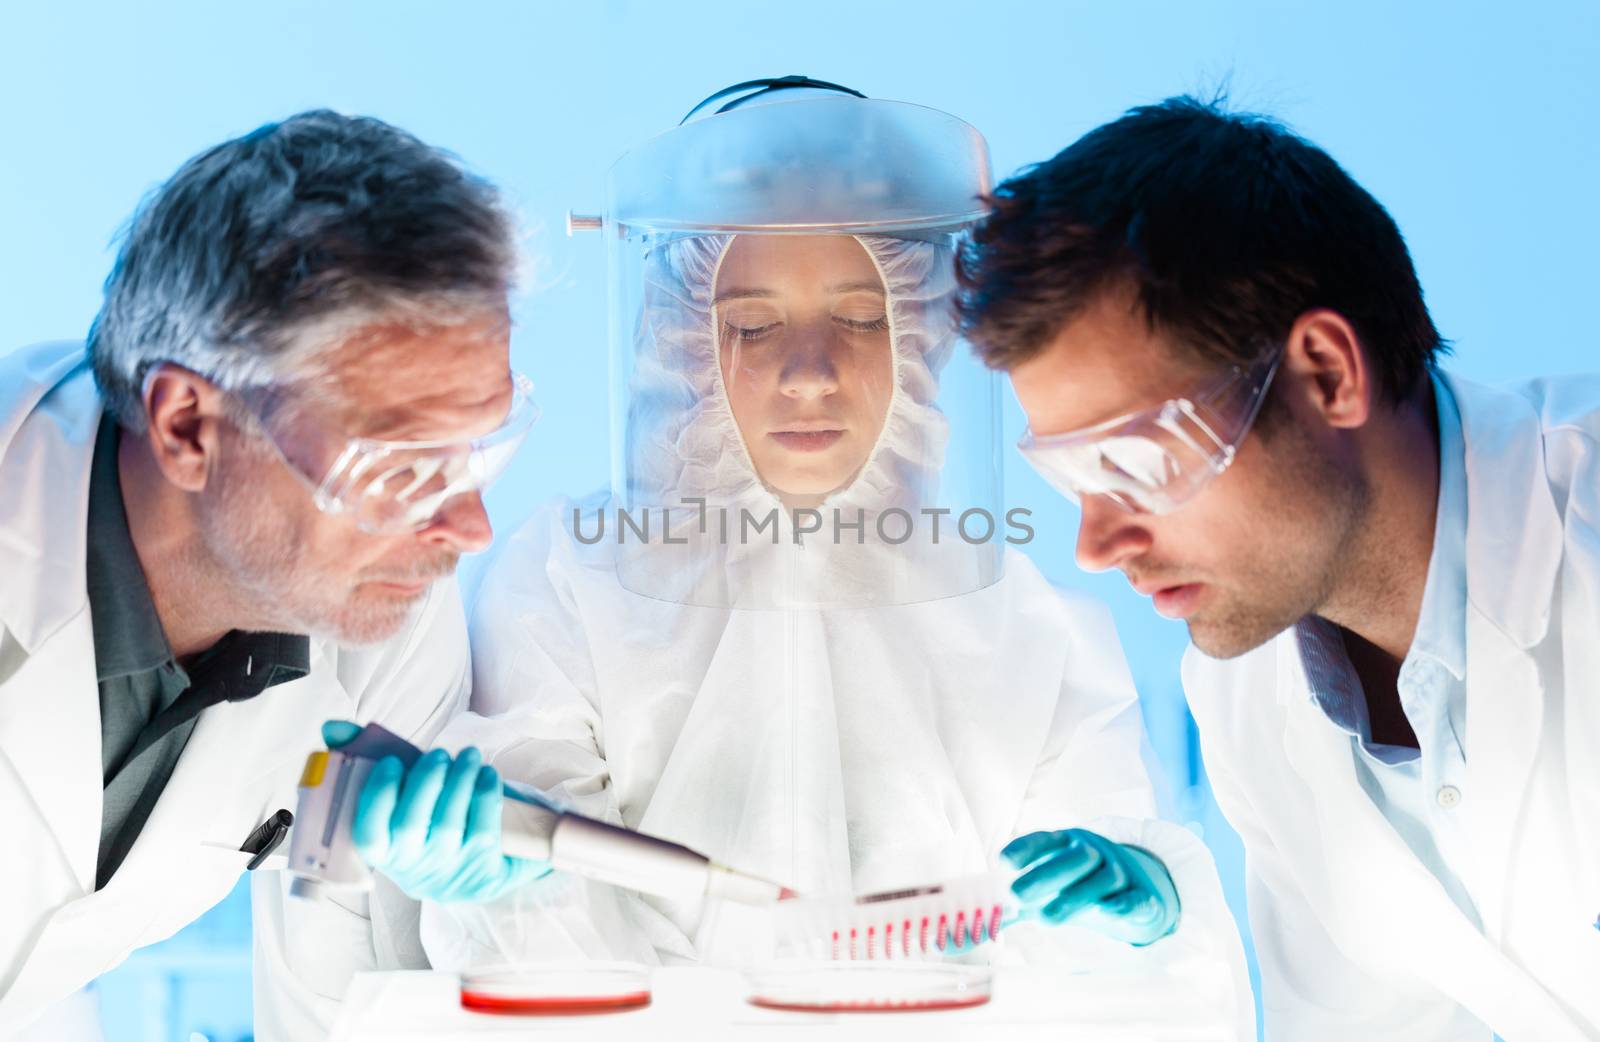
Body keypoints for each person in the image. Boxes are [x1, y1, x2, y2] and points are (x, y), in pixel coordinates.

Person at [423, 79, 1252, 1035]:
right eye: (754, 323)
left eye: (861, 318)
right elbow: (545, 950)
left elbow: (1086, 944)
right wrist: (504, 887)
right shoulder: (570, 581)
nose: (810, 372)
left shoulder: (1024, 622)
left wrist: (1144, 904)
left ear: (923, 330)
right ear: (686, 340)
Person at [955, 94, 1599, 1041]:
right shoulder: (1250, 693)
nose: (1093, 544)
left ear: (1328, 372)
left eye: (1133, 460)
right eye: (1069, 478)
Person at [0, 111, 540, 1041]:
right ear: (188, 427)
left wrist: (474, 885)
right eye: (402, 468)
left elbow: (338, 885)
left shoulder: (375, 605)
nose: (469, 529)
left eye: (479, 453)